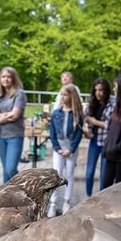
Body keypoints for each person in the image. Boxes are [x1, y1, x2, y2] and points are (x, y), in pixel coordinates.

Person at [47, 84, 84, 217]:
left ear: (72, 96)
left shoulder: (78, 114)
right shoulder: (56, 113)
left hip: (71, 149)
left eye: (65, 94)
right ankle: (53, 203)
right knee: (56, 175)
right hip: (59, 149)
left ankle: (66, 202)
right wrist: (57, 148)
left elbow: (79, 134)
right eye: (61, 94)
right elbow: (51, 133)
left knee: (69, 174)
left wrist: (71, 149)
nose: (62, 97)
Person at [0, 67, 27, 183]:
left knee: (11, 169)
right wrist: (4, 116)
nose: (6, 79)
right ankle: (6, 199)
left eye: (9, 77)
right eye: (3, 77)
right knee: (5, 171)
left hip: (15, 135)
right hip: (0, 136)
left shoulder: (19, 94)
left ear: (13, 79)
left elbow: (15, 114)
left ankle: (26, 186)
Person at [84, 78, 114, 196]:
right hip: (94, 140)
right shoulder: (91, 104)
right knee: (89, 172)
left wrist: (95, 122)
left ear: (106, 91)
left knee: (103, 174)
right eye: (96, 90)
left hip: (107, 142)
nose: (98, 93)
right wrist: (87, 131)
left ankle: (101, 198)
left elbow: (111, 126)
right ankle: (88, 197)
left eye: (101, 90)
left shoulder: (112, 105)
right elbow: (86, 123)